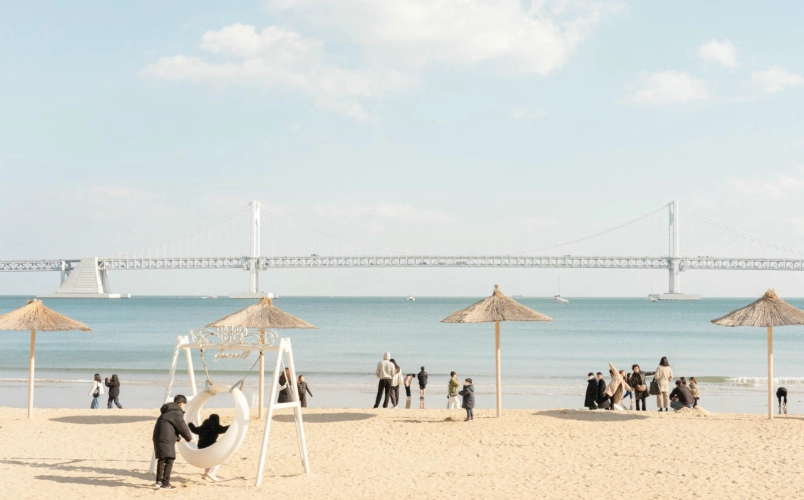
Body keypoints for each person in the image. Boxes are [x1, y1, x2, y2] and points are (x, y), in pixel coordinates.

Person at [152, 394, 194, 490]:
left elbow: (169, 427)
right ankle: (165, 484)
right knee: (169, 459)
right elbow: (181, 426)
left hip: (158, 437)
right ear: (181, 403)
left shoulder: (167, 411)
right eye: (184, 404)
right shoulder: (176, 412)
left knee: (162, 459)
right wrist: (188, 438)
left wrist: (178, 439)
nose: (184, 407)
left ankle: (158, 481)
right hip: (166, 439)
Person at [188, 413, 229, 482]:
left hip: (201, 447)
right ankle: (211, 473)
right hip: (211, 447)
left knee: (208, 460)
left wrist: (190, 423)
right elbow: (224, 429)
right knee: (219, 459)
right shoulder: (215, 427)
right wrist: (233, 425)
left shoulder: (202, 427)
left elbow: (194, 429)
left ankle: (205, 474)